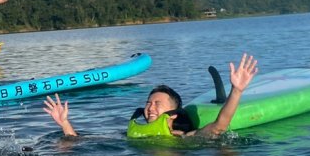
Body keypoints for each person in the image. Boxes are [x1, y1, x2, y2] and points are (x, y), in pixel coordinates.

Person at [43, 53, 259, 138]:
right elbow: (81, 141)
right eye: (148, 103)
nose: (150, 107)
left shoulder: (184, 138)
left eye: (157, 103)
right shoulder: (131, 134)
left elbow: (220, 125)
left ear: (173, 114)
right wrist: (64, 123)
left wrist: (237, 90)